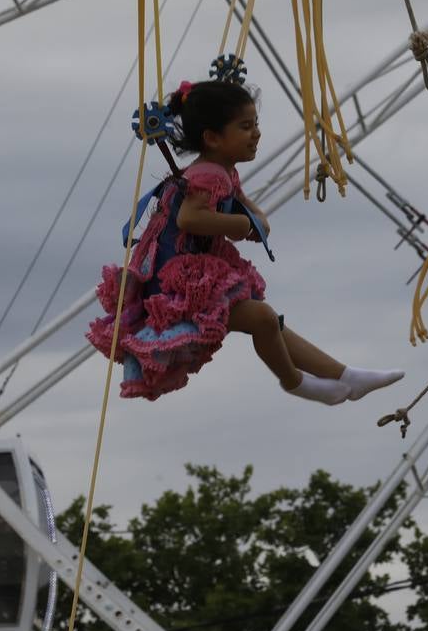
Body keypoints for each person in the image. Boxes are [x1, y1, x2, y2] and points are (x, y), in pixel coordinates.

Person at [86, 76, 405, 404]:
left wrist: (253, 223)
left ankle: (344, 376)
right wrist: (237, 223)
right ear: (212, 138)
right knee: (263, 319)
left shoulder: (223, 172)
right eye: (245, 126)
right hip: (175, 287)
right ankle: (297, 383)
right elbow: (189, 218)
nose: (256, 133)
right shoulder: (207, 175)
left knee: (271, 325)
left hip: (192, 276)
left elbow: (250, 212)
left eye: (256, 124)